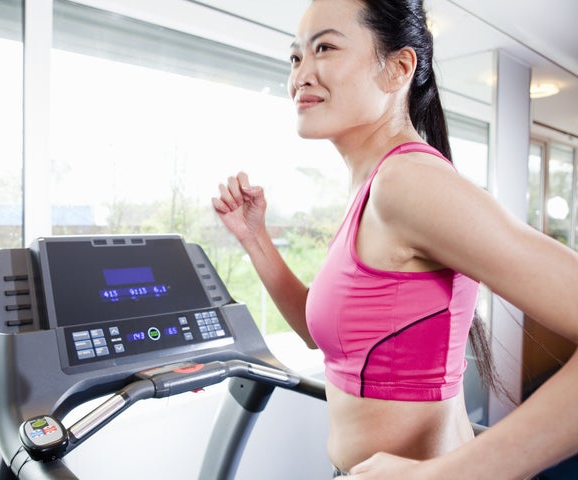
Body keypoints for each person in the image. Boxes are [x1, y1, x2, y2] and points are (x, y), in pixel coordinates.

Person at [211, 0, 578, 478]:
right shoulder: (372, 188)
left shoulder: (405, 183)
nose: (300, 74)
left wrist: (442, 475)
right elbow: (328, 336)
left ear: (399, 68)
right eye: (296, 56)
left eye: (325, 47)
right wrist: (255, 239)